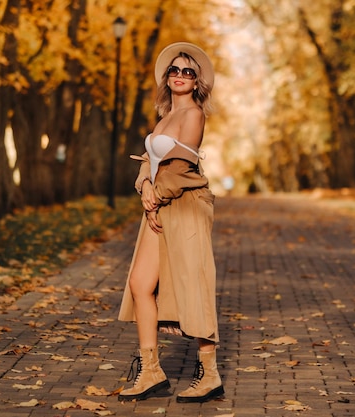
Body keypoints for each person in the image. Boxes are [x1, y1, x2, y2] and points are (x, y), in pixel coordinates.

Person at [117, 42, 223, 404]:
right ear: (167, 78)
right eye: (174, 70)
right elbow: (151, 160)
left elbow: (180, 167)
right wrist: (145, 186)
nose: (179, 76)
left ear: (197, 82)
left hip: (184, 207)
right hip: (158, 207)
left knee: (193, 285)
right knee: (140, 283)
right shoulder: (164, 116)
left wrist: (154, 196)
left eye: (187, 72)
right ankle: (151, 371)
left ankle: (209, 375)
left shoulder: (193, 115)